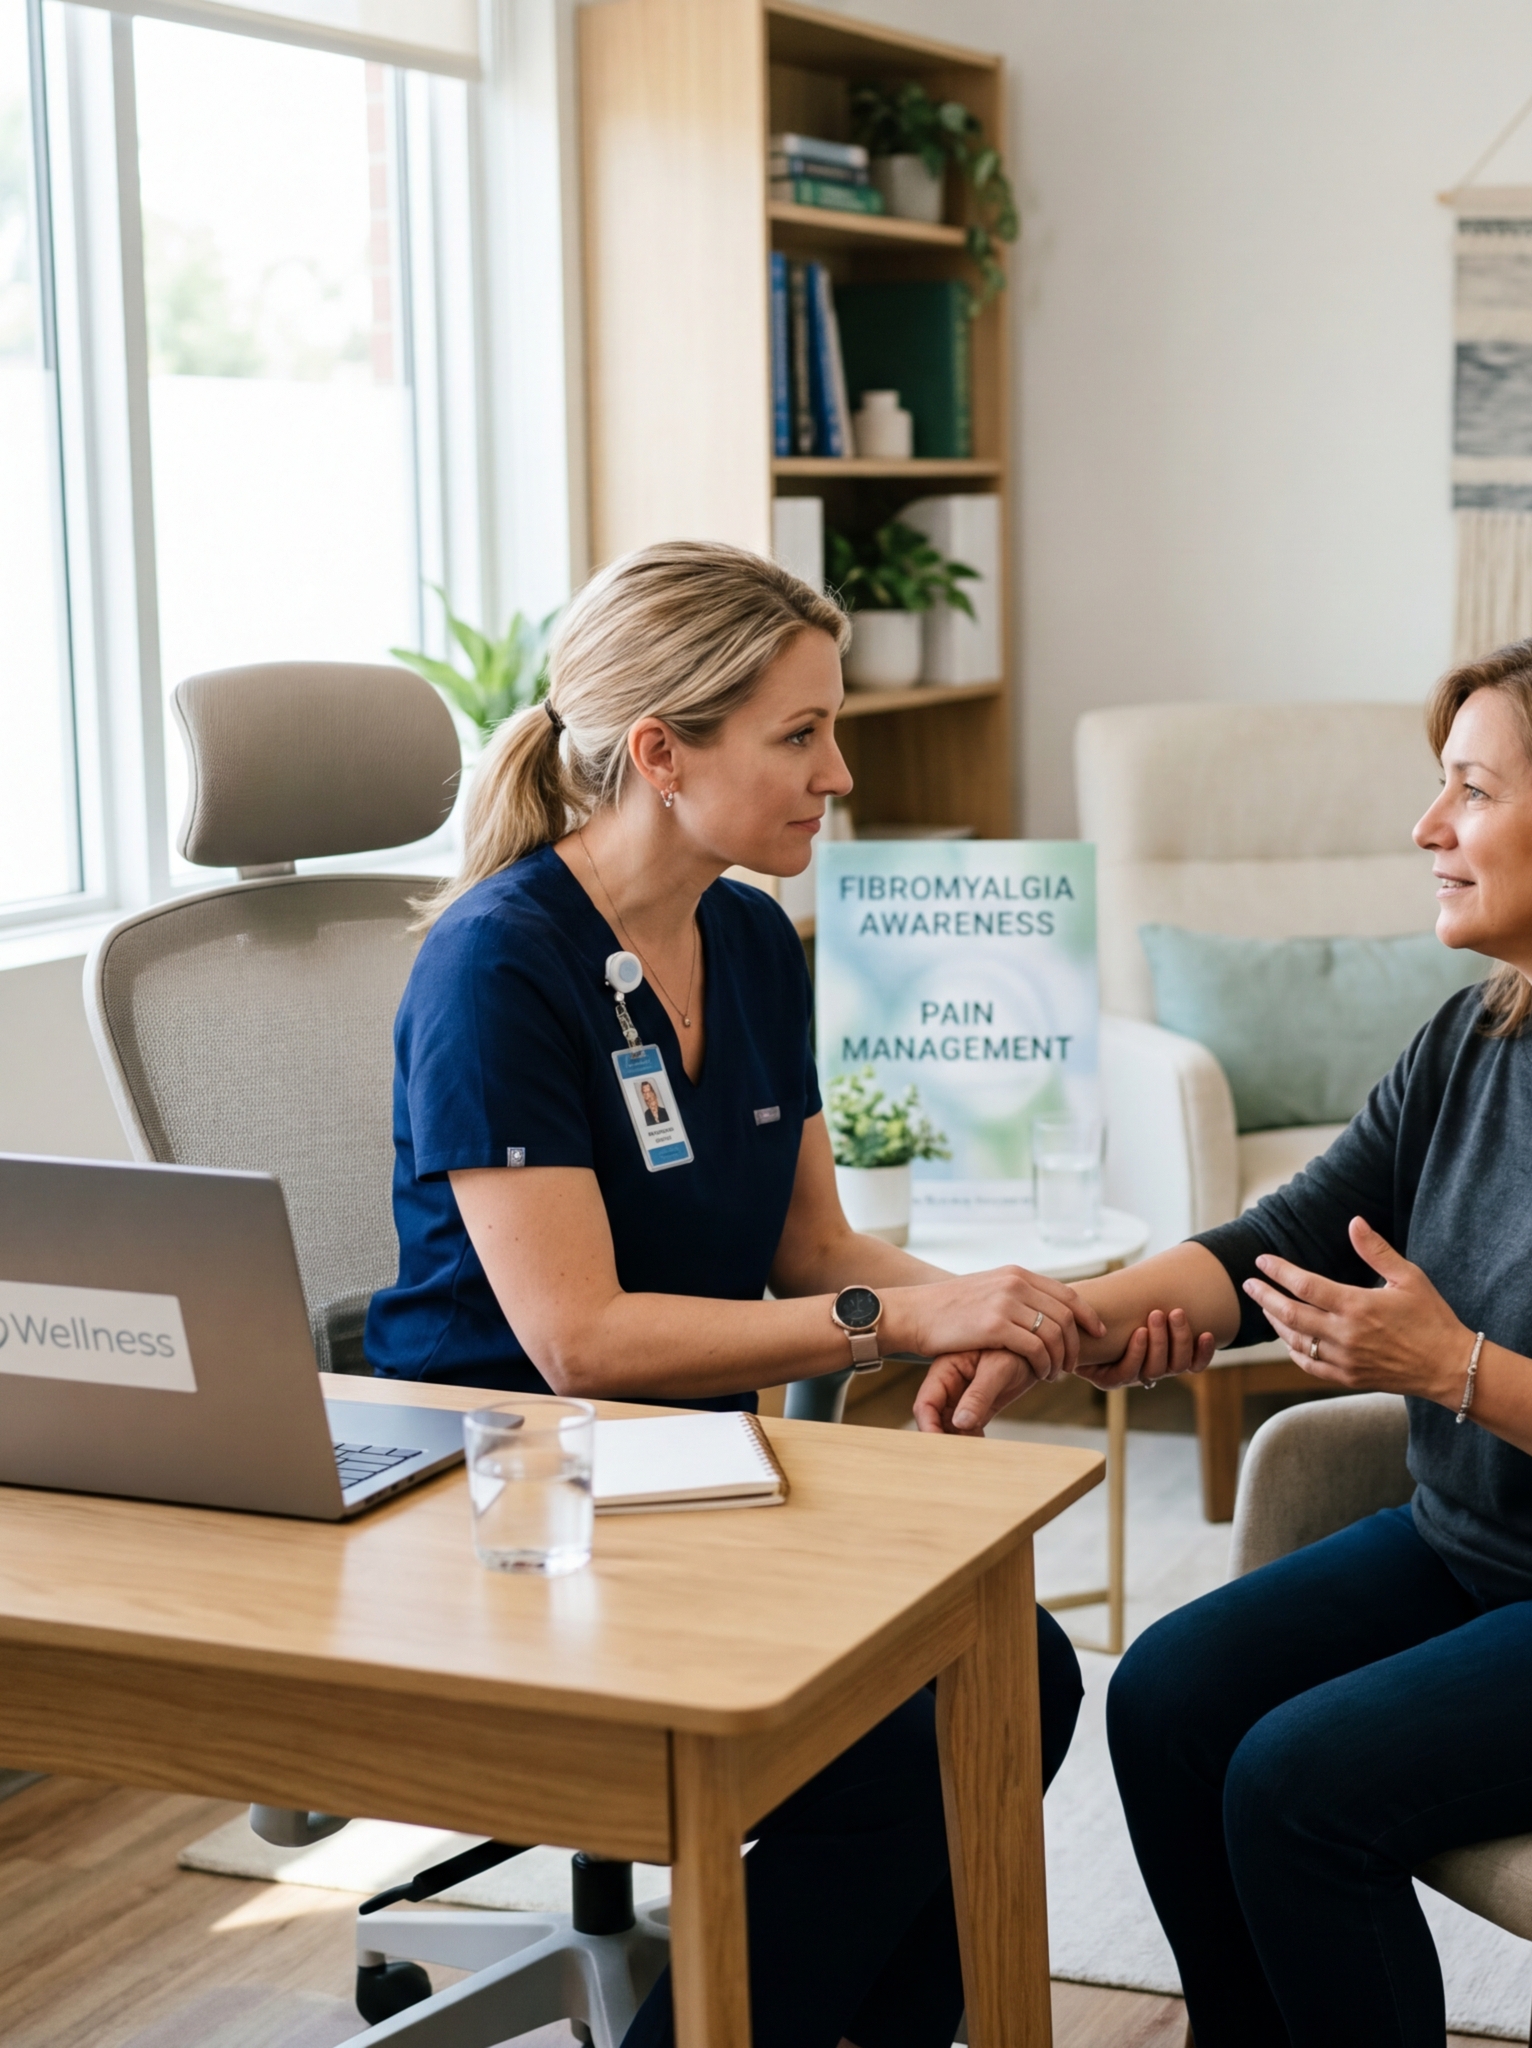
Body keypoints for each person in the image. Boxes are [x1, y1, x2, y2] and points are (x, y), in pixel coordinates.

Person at [913, 629, 1532, 2047]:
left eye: (1473, 792)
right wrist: (1053, 1330)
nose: (1428, 828)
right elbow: (1282, 1239)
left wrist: (1454, 1370)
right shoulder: (1478, 1038)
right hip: (1487, 1549)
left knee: (1295, 1785)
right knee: (1169, 1696)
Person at [365, 540, 1182, 2048]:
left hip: (681, 1471)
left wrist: (1016, 1311)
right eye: (800, 734)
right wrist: (901, 1323)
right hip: (508, 1499)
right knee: (917, 1732)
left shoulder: (747, 935)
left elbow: (815, 1250)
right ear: (661, 755)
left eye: (833, 728)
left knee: (1014, 1672)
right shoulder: (499, 968)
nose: (839, 774)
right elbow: (578, 1341)